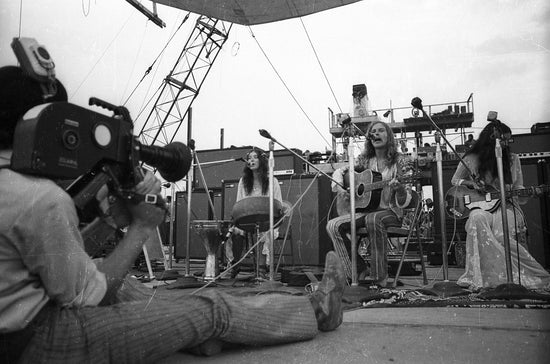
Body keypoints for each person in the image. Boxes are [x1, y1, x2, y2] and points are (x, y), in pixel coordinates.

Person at [0, 65, 346, 363]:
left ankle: (184, 331)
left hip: (19, 326)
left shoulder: (18, 188)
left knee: (131, 289)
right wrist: (141, 226)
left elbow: (57, 262)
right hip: (38, 343)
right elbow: (89, 296)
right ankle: (316, 311)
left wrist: (108, 222)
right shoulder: (39, 199)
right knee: (211, 306)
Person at [451, 121, 550, 291]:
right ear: (491, 140)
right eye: (503, 140)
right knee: (477, 219)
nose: (505, 144)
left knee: (500, 234)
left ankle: (506, 278)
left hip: (506, 206)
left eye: (508, 141)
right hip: (480, 205)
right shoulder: (471, 158)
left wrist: (529, 192)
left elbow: (518, 187)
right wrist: (471, 184)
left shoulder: (512, 159)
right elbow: (455, 180)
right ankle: (481, 278)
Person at [326, 121, 416, 287]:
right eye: (373, 131)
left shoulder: (401, 161)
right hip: (367, 211)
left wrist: (401, 189)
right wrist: (341, 190)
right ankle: (357, 269)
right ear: (369, 139)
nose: (376, 134)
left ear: (389, 136)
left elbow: (406, 200)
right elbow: (341, 171)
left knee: (373, 219)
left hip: (391, 212)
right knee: (333, 225)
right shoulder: (365, 161)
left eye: (381, 130)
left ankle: (379, 276)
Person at [226, 147, 283, 278]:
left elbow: (278, 203)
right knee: (235, 232)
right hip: (247, 219)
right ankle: (235, 264)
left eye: (255, 157)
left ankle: (261, 269)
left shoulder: (272, 181)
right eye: (249, 158)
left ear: (262, 161)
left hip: (266, 220)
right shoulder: (243, 181)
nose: (251, 160)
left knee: (264, 233)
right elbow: (239, 203)